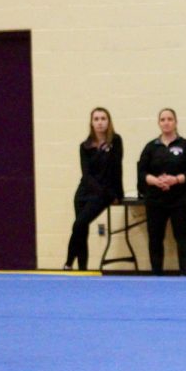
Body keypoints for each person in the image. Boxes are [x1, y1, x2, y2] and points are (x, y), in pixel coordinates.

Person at [137, 108, 186, 276]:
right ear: (159, 123)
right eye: (163, 119)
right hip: (156, 200)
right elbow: (141, 172)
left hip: (181, 200)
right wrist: (155, 181)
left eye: (170, 119)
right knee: (155, 238)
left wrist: (176, 179)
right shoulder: (151, 147)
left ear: (176, 122)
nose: (166, 122)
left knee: (182, 237)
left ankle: (185, 274)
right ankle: (157, 274)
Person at [64, 107, 124, 270]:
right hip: (84, 192)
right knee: (81, 230)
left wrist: (119, 194)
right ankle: (82, 270)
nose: (100, 122)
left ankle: (68, 263)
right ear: (91, 123)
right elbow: (86, 174)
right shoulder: (85, 146)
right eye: (96, 119)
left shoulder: (115, 141)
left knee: (78, 224)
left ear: (108, 121)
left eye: (103, 118)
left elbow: (117, 168)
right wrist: (99, 190)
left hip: (103, 194)